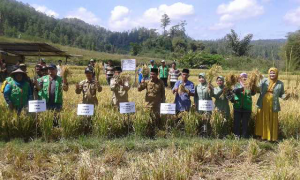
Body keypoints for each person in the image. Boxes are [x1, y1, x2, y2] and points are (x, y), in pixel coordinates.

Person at [255, 68, 286, 142]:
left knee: (272, 119)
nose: (272, 74)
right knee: (263, 118)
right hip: (263, 103)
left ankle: (271, 137)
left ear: (277, 74)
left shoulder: (280, 83)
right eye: (271, 73)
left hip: (273, 104)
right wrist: (256, 80)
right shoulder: (264, 80)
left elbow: (281, 94)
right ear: (268, 73)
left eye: (274, 73)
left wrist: (286, 96)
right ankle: (262, 136)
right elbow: (258, 89)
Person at [232, 73, 256, 138]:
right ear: (239, 78)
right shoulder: (236, 84)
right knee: (237, 122)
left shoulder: (249, 85)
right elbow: (235, 91)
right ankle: (236, 135)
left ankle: (244, 135)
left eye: (245, 77)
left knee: (245, 123)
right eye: (242, 77)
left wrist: (253, 85)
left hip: (247, 106)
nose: (244, 78)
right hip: (238, 105)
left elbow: (253, 93)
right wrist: (243, 88)